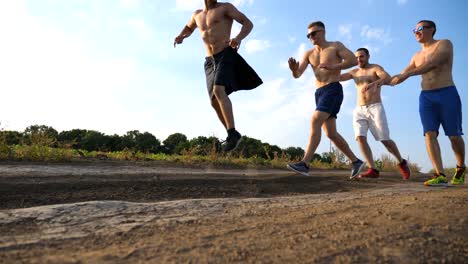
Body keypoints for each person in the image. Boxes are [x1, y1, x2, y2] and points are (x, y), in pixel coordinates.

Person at [174, 0, 262, 152]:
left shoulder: (225, 7)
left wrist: (239, 38)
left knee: (218, 89)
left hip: (225, 53)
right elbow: (189, 27)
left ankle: (232, 133)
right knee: (214, 101)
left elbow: (247, 23)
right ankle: (231, 134)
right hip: (209, 61)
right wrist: (181, 36)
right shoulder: (197, 14)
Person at [390, 20, 465, 186]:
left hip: (447, 93)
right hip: (426, 97)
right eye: (414, 30)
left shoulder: (444, 44)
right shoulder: (416, 56)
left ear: (432, 29)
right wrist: (381, 82)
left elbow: (432, 64)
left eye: (420, 28)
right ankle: (440, 175)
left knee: (454, 136)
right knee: (429, 133)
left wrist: (406, 75)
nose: (416, 32)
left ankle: (460, 167)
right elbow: (402, 74)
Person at [286, 21, 365, 178]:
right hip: (319, 92)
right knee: (331, 133)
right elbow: (298, 75)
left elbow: (352, 60)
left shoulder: (335, 46)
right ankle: (356, 161)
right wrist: (293, 70)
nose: (311, 37)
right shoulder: (309, 54)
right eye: (308, 35)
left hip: (333, 88)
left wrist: (334, 67)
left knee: (315, 120)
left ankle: (305, 163)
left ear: (322, 32)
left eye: (313, 33)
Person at [340, 48, 411, 179]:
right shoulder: (354, 72)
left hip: (375, 107)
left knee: (384, 140)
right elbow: (338, 77)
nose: (358, 60)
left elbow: (386, 77)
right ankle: (372, 169)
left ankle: (401, 162)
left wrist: (375, 83)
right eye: (356, 58)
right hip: (359, 109)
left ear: (368, 56)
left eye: (361, 57)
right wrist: (326, 67)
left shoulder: (375, 68)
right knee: (360, 138)